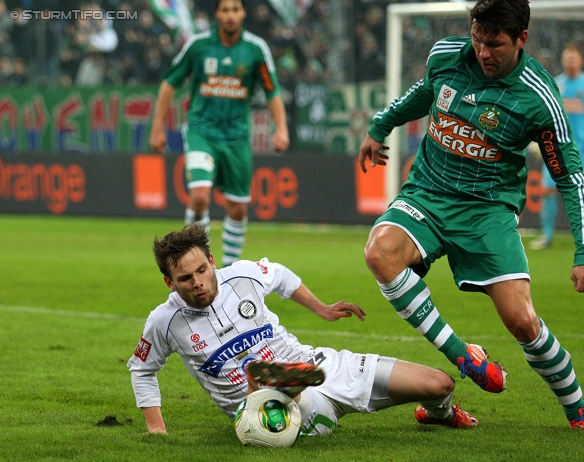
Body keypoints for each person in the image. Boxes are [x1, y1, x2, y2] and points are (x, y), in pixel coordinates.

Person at [357, 0, 584, 434]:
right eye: (479, 40)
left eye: (495, 44)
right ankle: (463, 355)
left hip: (487, 210)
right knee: (379, 252)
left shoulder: (538, 98)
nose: (484, 52)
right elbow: (423, 94)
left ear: (521, 39)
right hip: (428, 192)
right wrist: (379, 126)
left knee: (521, 321)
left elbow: (570, 178)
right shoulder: (446, 54)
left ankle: (580, 411)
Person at [127, 225, 478, 435]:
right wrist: (157, 429)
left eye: (202, 270)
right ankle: (271, 382)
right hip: (259, 410)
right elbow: (142, 370)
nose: (199, 282)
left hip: (315, 364)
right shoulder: (164, 321)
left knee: (439, 384)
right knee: (287, 401)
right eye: (186, 279)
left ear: (212, 261)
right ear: (169, 282)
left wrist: (322, 308)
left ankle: (439, 415)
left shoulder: (243, 275)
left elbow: (280, 275)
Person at [149, 0, 289, 267]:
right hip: (202, 131)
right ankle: (196, 259)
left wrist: (280, 128)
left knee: (237, 207)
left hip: (236, 138)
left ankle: (228, 270)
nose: (230, 15)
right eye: (225, 10)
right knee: (200, 195)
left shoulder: (256, 49)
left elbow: (272, 91)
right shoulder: (199, 45)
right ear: (216, 14)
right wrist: (157, 127)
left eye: (235, 9)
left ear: (243, 13)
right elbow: (169, 83)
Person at [529, 43, 584, 249]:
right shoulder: (555, 84)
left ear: (581, 61)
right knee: (548, 191)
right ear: (563, 61)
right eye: (567, 59)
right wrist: (536, 139)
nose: (570, 62)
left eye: (574, 59)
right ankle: (547, 237)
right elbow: (543, 115)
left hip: (582, 150)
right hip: (554, 149)